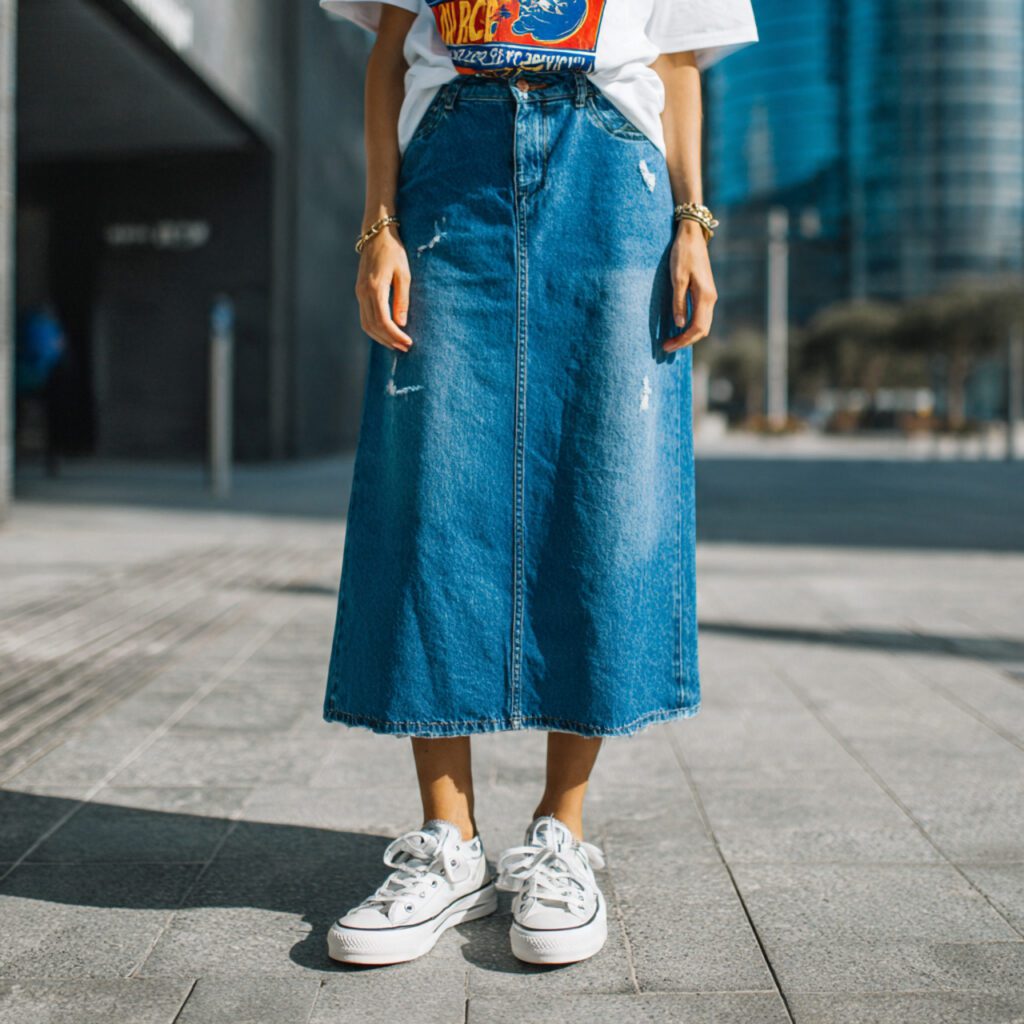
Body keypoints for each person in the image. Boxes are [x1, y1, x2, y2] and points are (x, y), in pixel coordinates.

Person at [319, 0, 758, 967]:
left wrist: (693, 223)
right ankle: (449, 843)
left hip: (612, 174)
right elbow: (391, 53)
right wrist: (377, 225)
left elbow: (678, 63)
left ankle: (560, 835)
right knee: (430, 489)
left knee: (600, 491)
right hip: (451, 163)